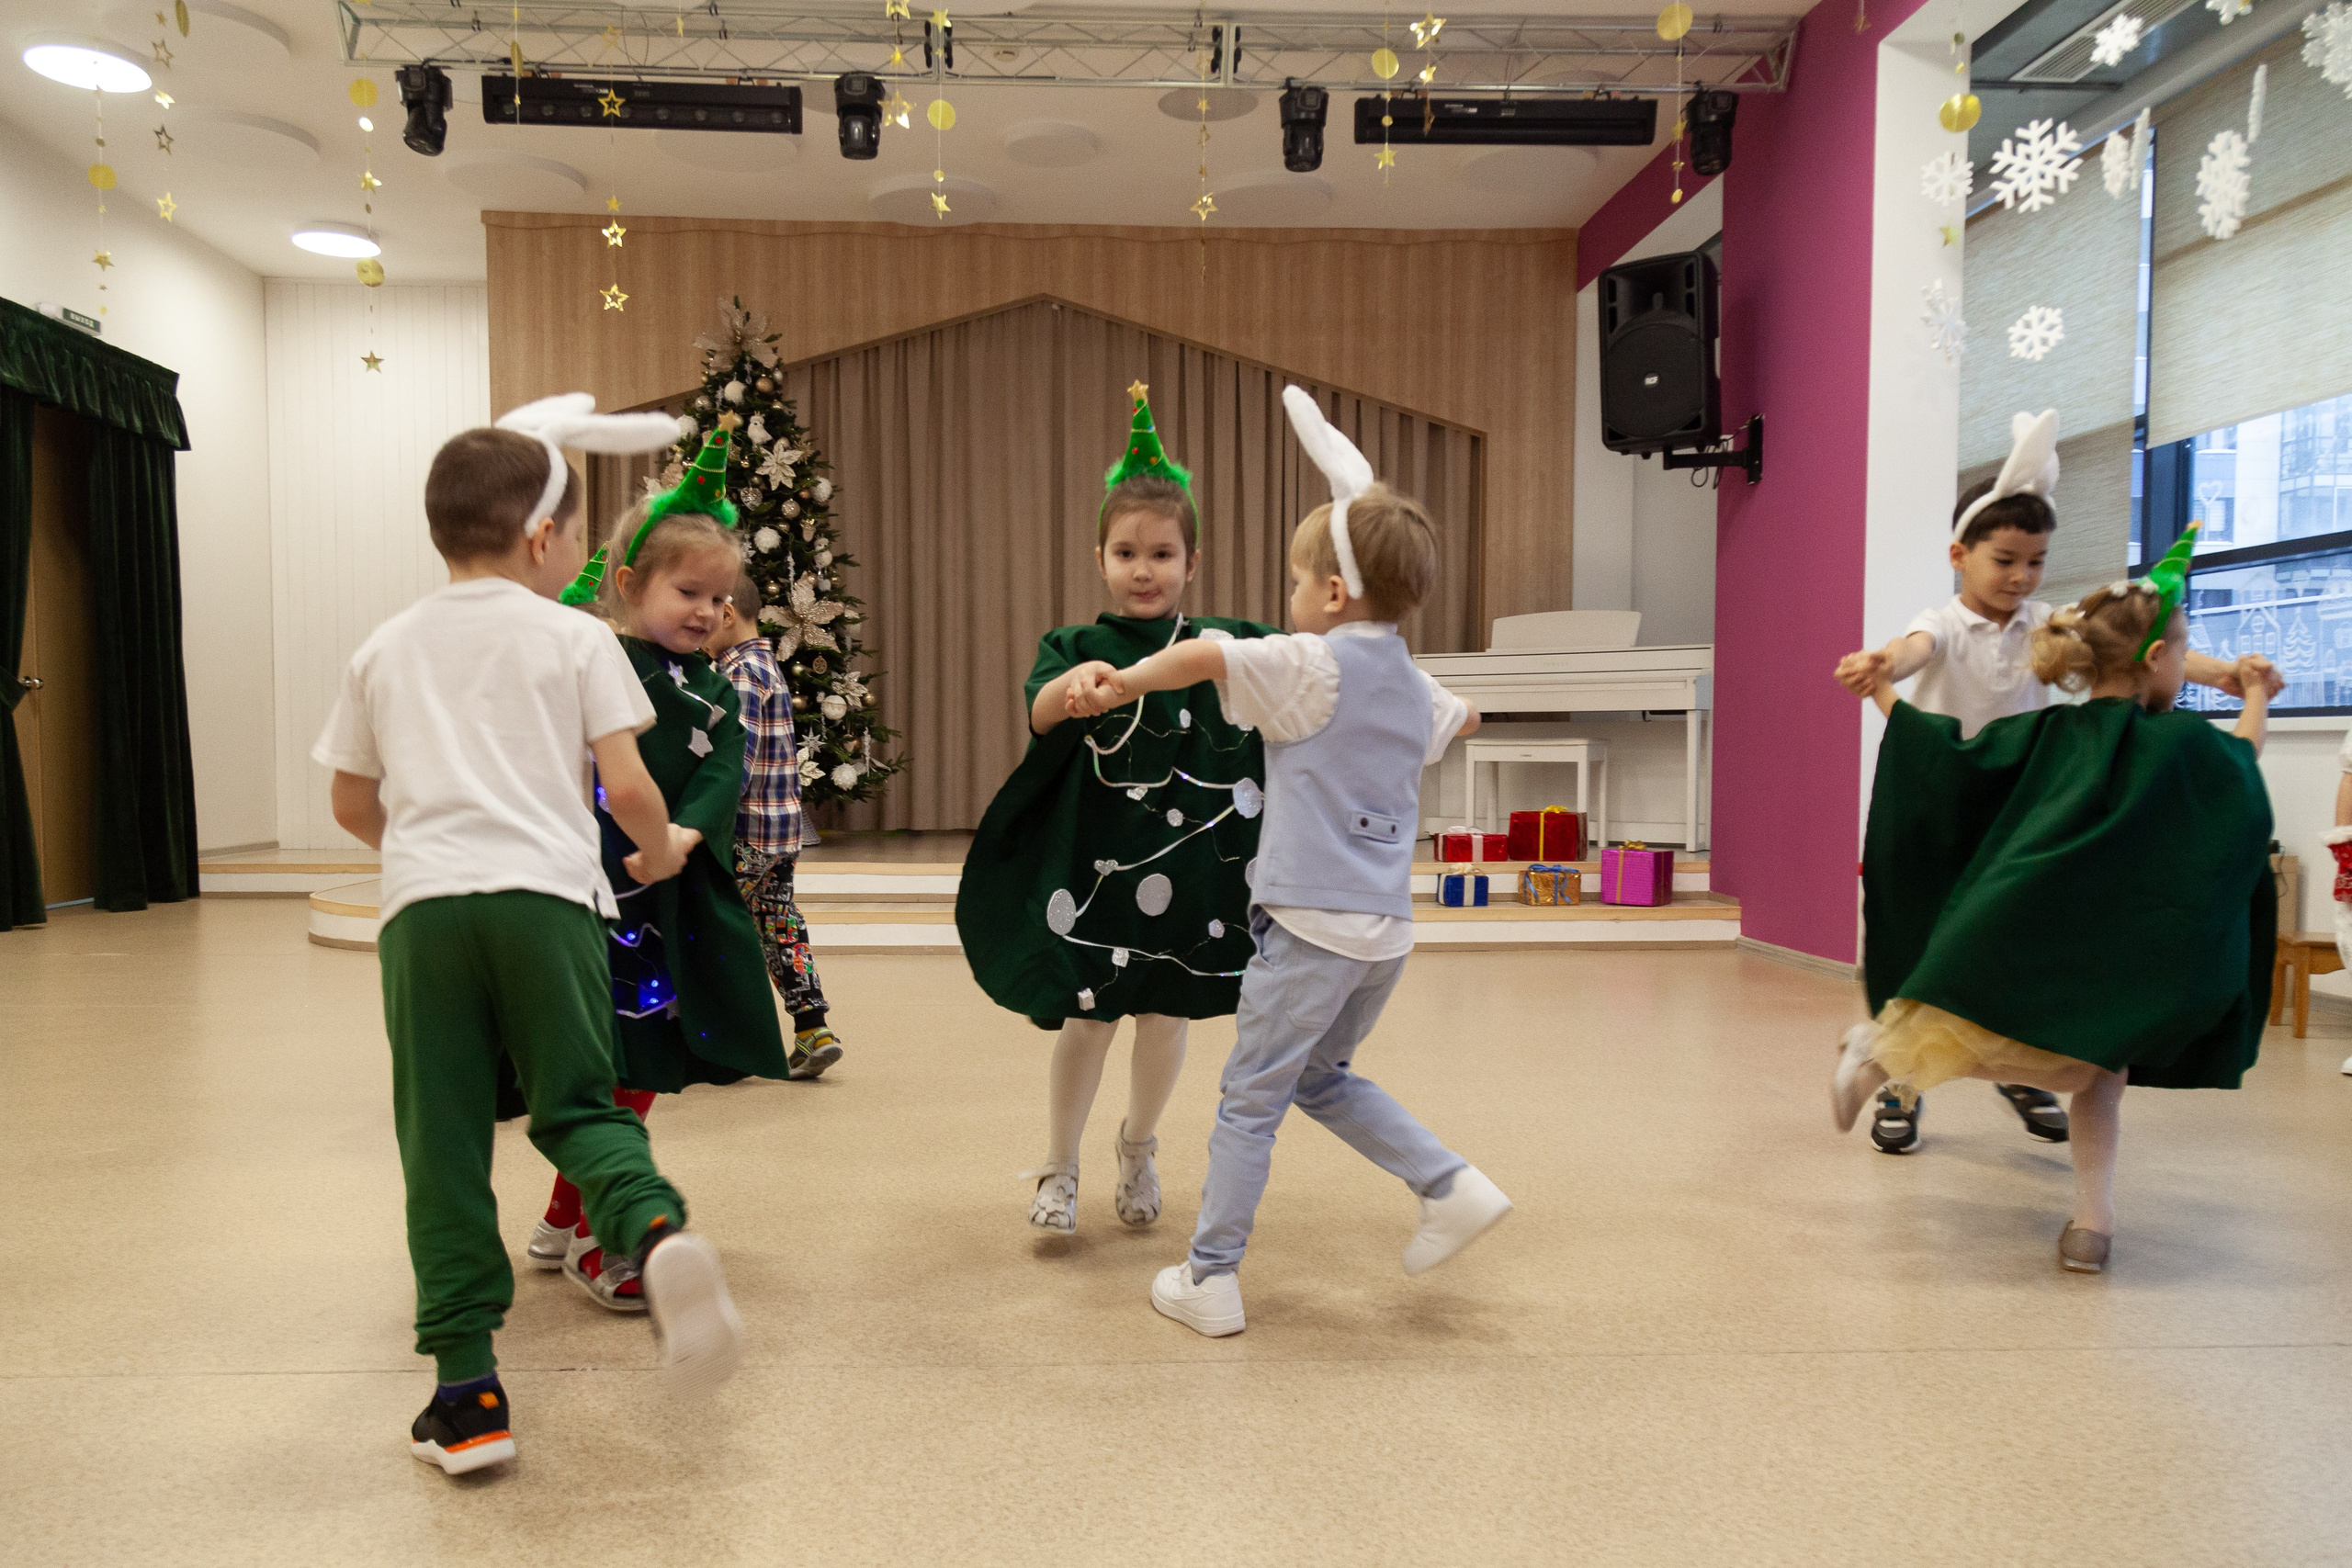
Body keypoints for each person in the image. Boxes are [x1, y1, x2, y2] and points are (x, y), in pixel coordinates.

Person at [312, 396, 745, 1476]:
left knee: (444, 1144)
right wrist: (658, 852)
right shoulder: (574, 637)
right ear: (545, 536)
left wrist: (423, 852)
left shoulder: (384, 646)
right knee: (578, 1106)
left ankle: (467, 1399)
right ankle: (652, 1232)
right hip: (549, 904)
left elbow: (351, 802)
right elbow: (628, 787)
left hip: (424, 915)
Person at [1070, 387, 1510, 1337]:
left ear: (1334, 593)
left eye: (1300, 581)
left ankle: (1210, 1276)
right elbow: (1466, 717)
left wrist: (1124, 682)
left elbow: (1206, 657)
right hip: (1383, 934)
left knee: (1250, 1101)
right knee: (1318, 1077)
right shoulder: (1413, 683)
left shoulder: (1314, 663)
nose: (1293, 598)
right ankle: (1449, 1183)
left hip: (1310, 926)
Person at [1833, 410, 2284, 1154]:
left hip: (2019, 805)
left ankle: (2023, 1066)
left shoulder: (2048, 619)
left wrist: (2224, 674)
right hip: (1947, 799)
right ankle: (1899, 1081)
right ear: (1959, 555)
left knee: (2020, 941)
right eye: (2005, 560)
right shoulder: (1942, 622)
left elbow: (2134, 643)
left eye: (2036, 561)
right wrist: (1883, 664)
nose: (2021, 576)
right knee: (1927, 945)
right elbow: (1913, 650)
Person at [956, 385, 1279, 1235]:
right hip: (1097, 874)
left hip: (1190, 875)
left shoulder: (1223, 644)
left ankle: (1138, 1145)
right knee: (1089, 1020)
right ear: (1099, 558)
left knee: (1166, 1018)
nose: (1145, 569)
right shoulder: (1075, 647)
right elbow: (1039, 716)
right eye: (1127, 552)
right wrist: (1071, 689)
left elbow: (1300, 679)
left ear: (1192, 563)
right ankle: (1059, 1165)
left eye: (1163, 554)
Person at [526, 416, 793, 1310]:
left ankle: (572, 1217)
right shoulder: (597, 658)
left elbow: (724, 772)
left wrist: (682, 836)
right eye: (688, 591)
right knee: (596, 1064)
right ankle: (597, 1230)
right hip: (592, 887)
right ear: (629, 582)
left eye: (720, 598)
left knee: (638, 1060)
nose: (708, 612)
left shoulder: (717, 689)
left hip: (666, 895)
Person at [707, 570, 843, 1081]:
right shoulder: (767, 666)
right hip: (781, 834)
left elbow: (735, 759)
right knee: (780, 926)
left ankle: (730, 1044)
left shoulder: (740, 672)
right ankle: (813, 1029)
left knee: (714, 926)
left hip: (746, 833)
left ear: (726, 613)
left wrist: (706, 815)